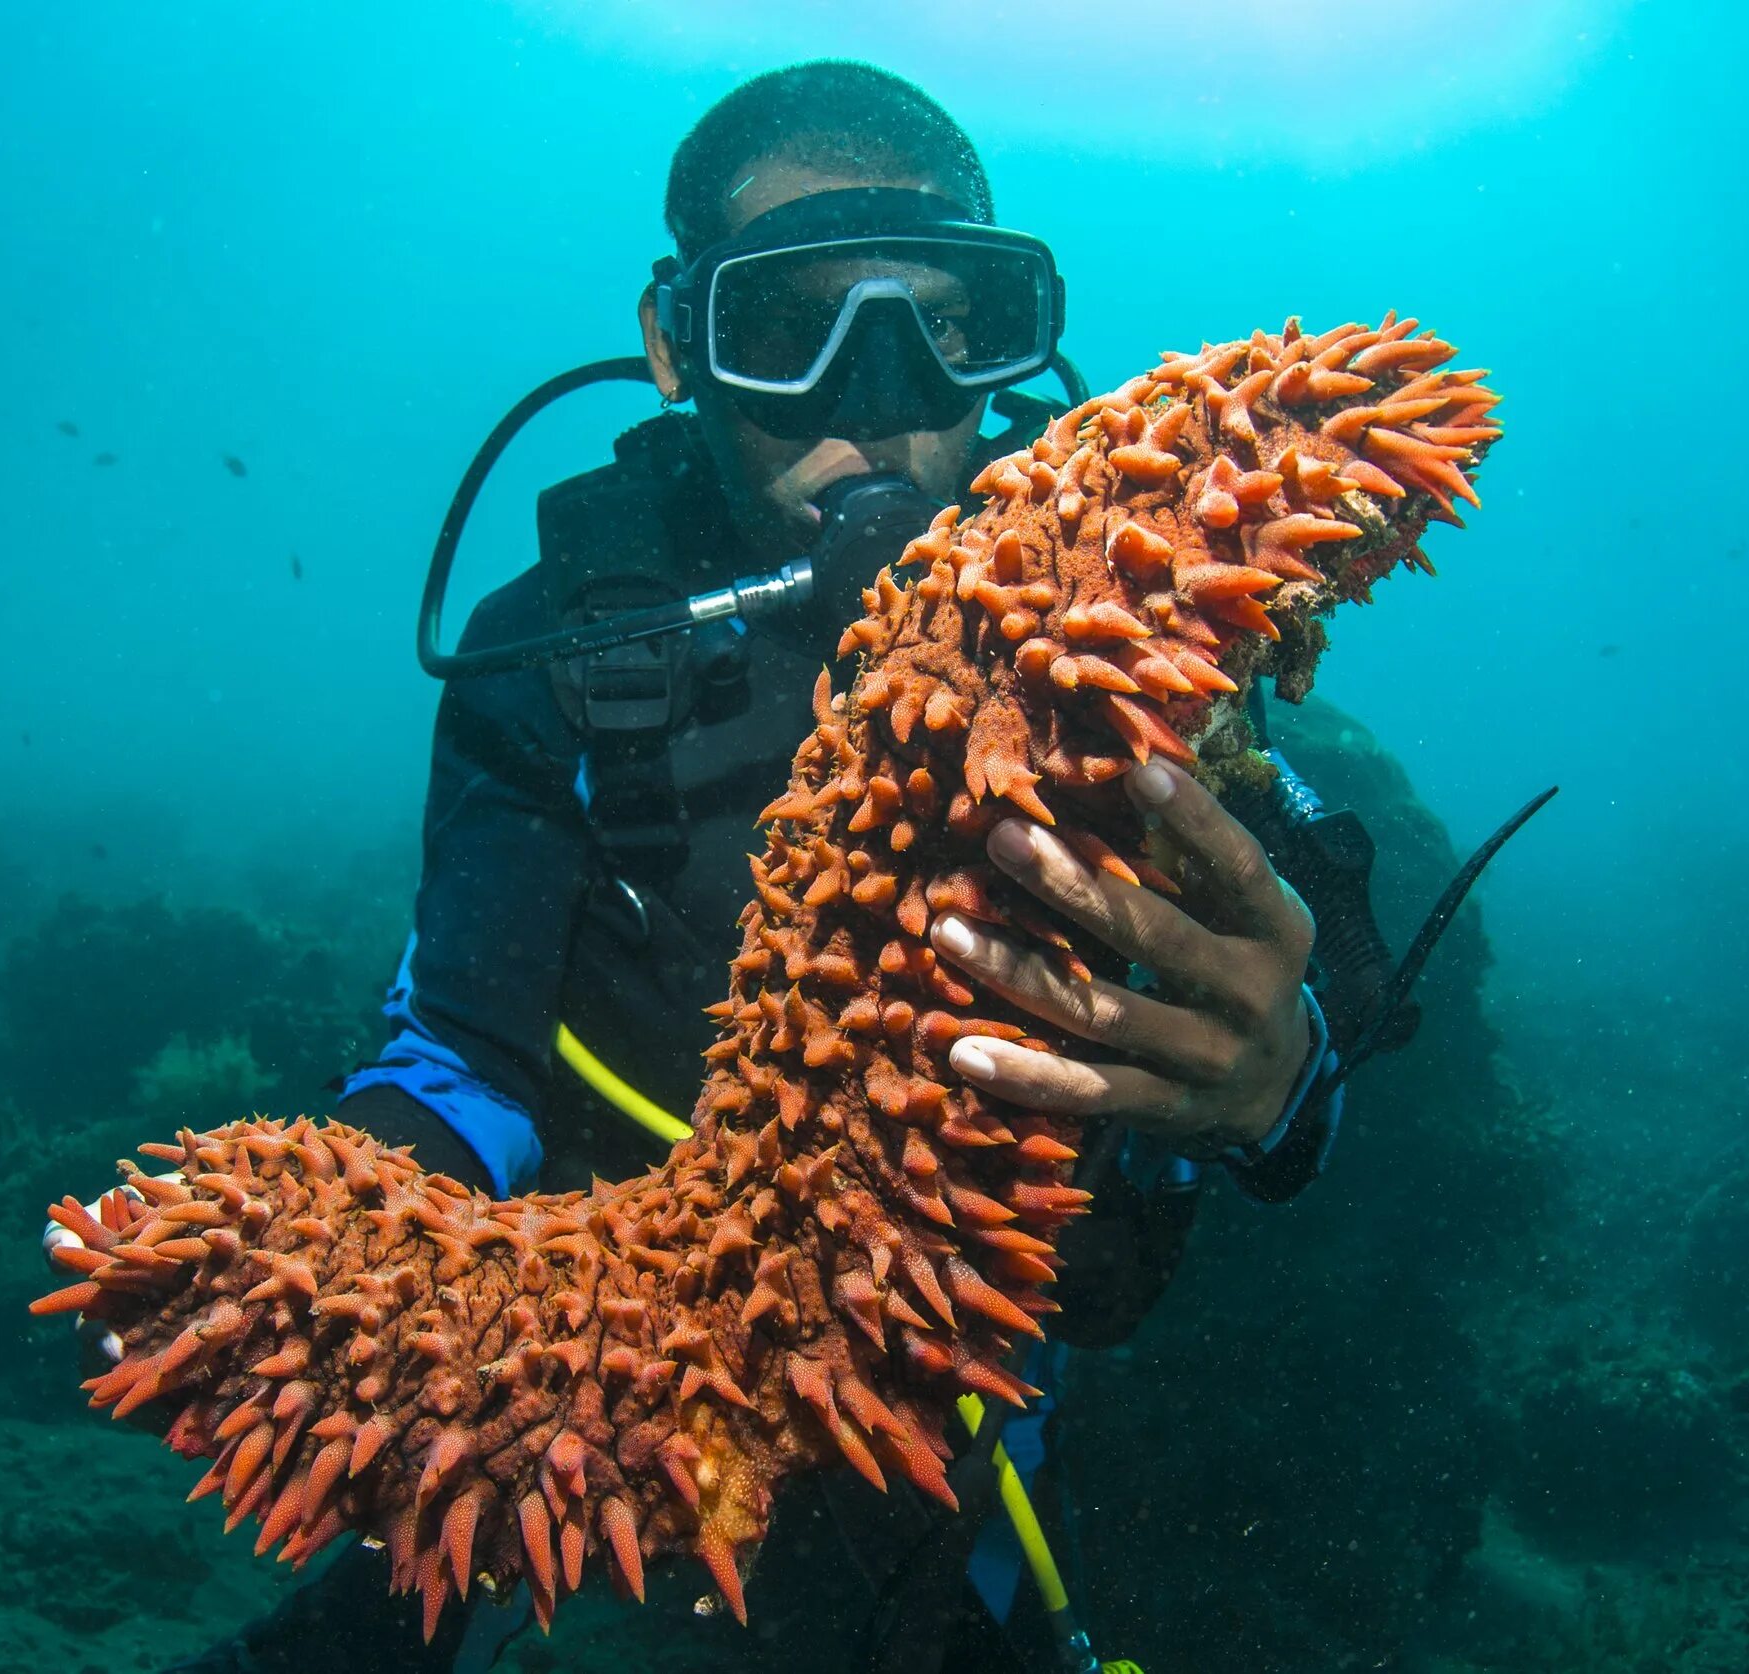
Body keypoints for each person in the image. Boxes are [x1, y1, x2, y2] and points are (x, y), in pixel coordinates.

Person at [153, 60, 1370, 1674]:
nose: (884, 398)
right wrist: (366, 1242)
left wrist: (1279, 1092)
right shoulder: (567, 653)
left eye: (951, 326)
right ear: (676, 347)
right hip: (610, 1373)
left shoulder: (1144, 645)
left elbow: (1313, 1008)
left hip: (947, 1416)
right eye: (790, 331)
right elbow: (463, 1049)